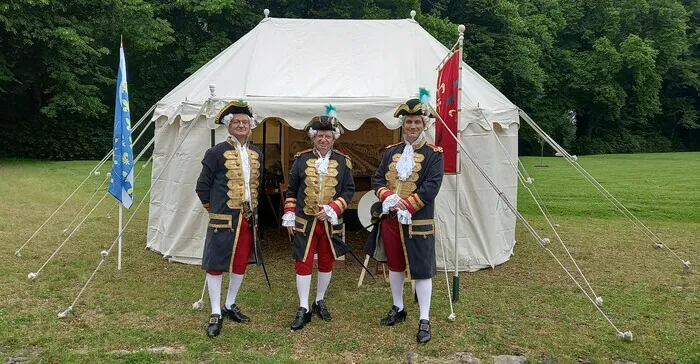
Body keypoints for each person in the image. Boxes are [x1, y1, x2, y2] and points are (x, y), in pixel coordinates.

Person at [364, 98, 444, 344]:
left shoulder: (434, 154)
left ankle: (424, 318)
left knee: (421, 270)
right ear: (403, 124)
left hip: (418, 221)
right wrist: (388, 197)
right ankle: (398, 307)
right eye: (408, 121)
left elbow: (432, 186)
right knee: (395, 265)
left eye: (417, 122)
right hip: (390, 219)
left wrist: (407, 205)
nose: (412, 126)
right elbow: (378, 180)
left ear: (424, 124)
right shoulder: (391, 152)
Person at [282, 106, 355, 331]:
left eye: (328, 136)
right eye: (320, 136)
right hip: (305, 221)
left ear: (334, 138)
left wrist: (334, 207)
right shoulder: (301, 159)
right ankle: (303, 307)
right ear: (313, 138)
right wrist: (290, 214)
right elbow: (291, 189)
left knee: (326, 261)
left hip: (330, 221)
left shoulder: (344, 161)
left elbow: (348, 190)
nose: (323, 139)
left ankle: (319, 300)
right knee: (302, 262)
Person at [195, 99, 264, 337]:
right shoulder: (215, 152)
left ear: (251, 125)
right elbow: (202, 186)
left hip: (247, 218)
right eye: (236, 122)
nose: (242, 125)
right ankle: (215, 311)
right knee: (216, 264)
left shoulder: (257, 153)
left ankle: (229, 303)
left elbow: (257, 185)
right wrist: (214, 210)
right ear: (229, 125)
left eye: (245, 122)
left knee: (240, 262)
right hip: (223, 218)